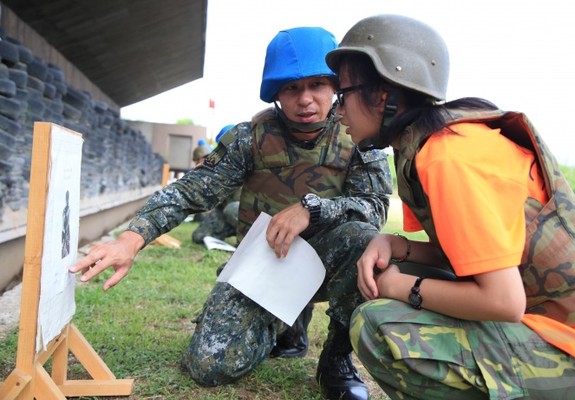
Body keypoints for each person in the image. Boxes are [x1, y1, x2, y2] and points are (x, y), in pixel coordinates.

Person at [70, 26, 393, 400]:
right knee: (209, 366)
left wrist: (311, 210)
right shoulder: (250, 138)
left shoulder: (358, 134)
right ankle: (285, 321)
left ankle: (336, 357)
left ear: (335, 86)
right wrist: (133, 237)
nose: (305, 99)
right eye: (292, 88)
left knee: (365, 241)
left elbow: (373, 208)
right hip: (266, 264)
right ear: (275, 92)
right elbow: (193, 189)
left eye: (317, 85)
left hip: (329, 261)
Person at [324, 14, 575, 400]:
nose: (337, 111)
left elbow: (503, 300)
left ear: (383, 94)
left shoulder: (448, 157)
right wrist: (395, 246)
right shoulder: (433, 144)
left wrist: (403, 286)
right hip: (550, 324)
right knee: (379, 263)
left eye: (344, 95)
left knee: (377, 326)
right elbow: (477, 255)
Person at [191, 124, 240, 244]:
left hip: (246, 211)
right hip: (225, 211)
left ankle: (248, 240)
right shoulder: (219, 165)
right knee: (199, 236)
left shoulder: (251, 159)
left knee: (231, 209)